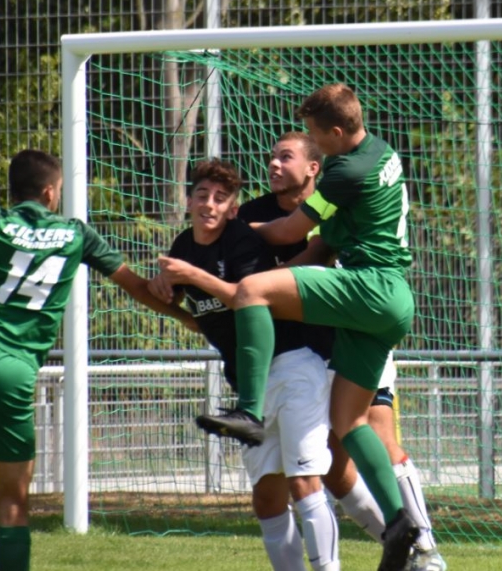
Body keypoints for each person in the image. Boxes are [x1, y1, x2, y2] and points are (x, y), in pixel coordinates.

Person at [0, 149, 196, 571]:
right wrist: (191, 320)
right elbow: (137, 288)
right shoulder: (77, 234)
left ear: (13, 190)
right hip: (13, 373)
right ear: (51, 193)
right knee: (13, 503)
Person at [166, 83, 418, 571]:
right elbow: (318, 238)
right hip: (389, 300)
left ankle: (249, 412)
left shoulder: (343, 171)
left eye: (313, 137)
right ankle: (400, 523)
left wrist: (227, 226)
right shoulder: (381, 151)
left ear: (337, 133)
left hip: (370, 286)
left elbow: (289, 232)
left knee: (251, 290)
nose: (312, 145)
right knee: (349, 423)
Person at [147, 157, 341, 571]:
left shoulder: (243, 241)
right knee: (266, 498)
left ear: (233, 209)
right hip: (247, 384)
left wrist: (190, 276)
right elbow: (180, 298)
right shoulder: (183, 246)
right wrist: (166, 287)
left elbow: (245, 297)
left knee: (305, 483)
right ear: (188, 201)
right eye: (202, 195)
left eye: (221, 198)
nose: (209, 204)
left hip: (292, 366)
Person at [323, 351, 446, 571]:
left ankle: (426, 551)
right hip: (316, 352)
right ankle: (406, 552)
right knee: (334, 472)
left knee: (380, 433)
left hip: (358, 343)